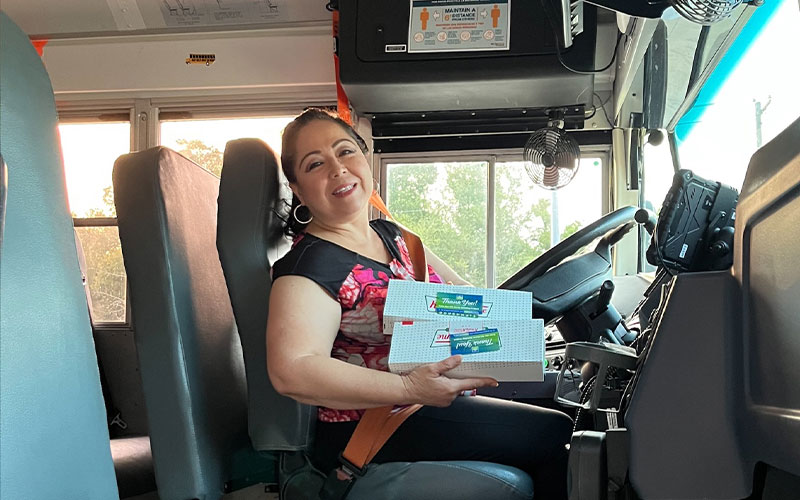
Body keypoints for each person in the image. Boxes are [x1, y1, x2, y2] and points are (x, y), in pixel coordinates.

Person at [267, 108, 573, 498]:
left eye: (345, 152)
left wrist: (505, 335)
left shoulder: (392, 236)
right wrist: (410, 387)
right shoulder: (309, 266)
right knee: (553, 432)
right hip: (369, 424)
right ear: (297, 189)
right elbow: (292, 371)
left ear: (365, 159)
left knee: (556, 411)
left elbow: (461, 293)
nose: (337, 169)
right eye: (315, 164)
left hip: (424, 403)